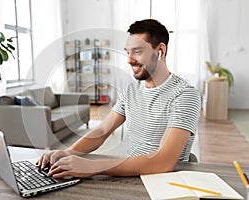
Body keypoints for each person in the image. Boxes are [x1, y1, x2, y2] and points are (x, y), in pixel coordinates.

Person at [36, 19, 201, 178]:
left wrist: (93, 167)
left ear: (160, 51)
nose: (129, 60)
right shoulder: (131, 91)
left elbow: (163, 162)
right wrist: (68, 152)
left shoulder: (184, 95)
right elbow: (102, 131)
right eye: (128, 52)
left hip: (164, 182)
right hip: (132, 176)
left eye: (137, 51)